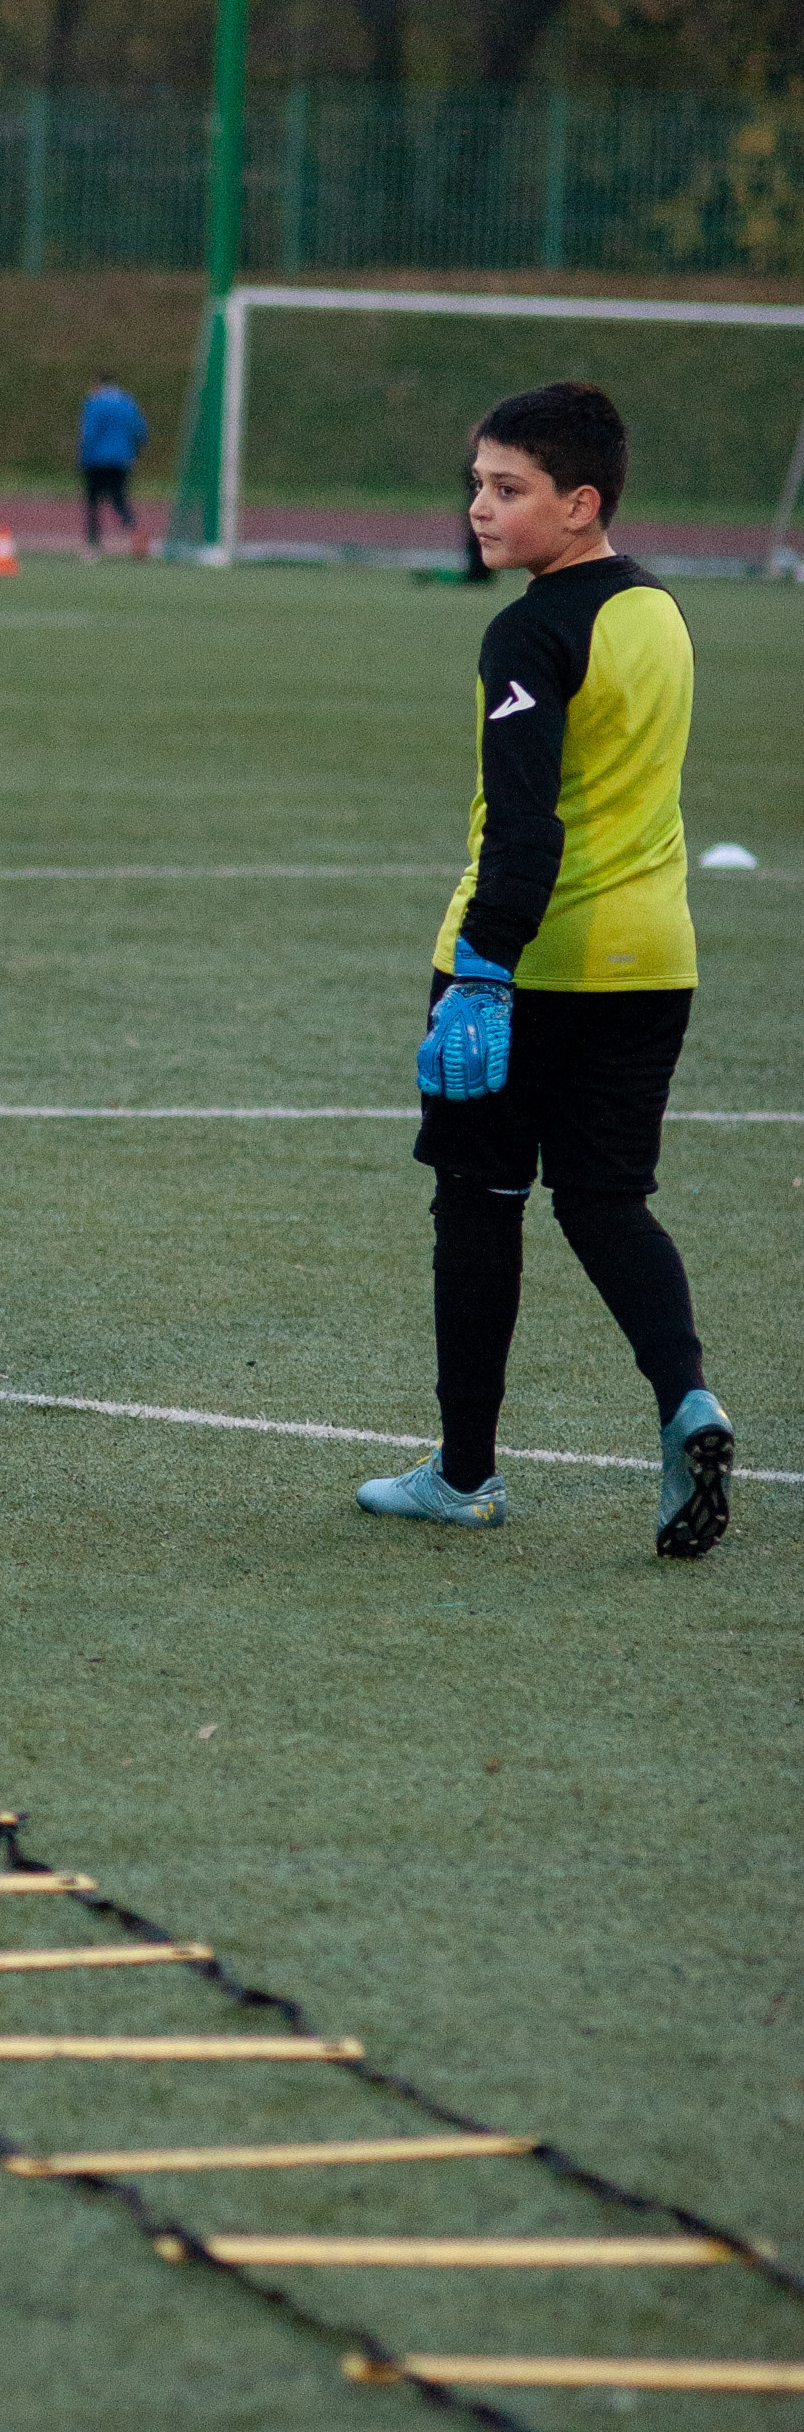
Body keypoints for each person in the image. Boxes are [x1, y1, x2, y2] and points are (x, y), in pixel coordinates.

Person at [356, 381, 735, 1555]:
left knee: (478, 1206)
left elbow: (524, 827)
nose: (477, 505)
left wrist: (480, 968)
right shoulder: (658, 610)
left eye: (506, 487)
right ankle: (689, 1401)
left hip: (527, 967)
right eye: (475, 480)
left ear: (579, 503)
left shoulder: (529, 627)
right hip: (652, 961)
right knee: (609, 1201)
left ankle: (464, 1474)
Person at [77, 376, 147, 548]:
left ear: (98, 384)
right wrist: (134, 451)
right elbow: (140, 430)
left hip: (95, 460)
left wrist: (81, 455)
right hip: (121, 459)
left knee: (93, 501)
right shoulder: (127, 401)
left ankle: (93, 544)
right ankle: (135, 531)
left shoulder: (94, 402)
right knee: (119, 499)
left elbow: (89, 432)